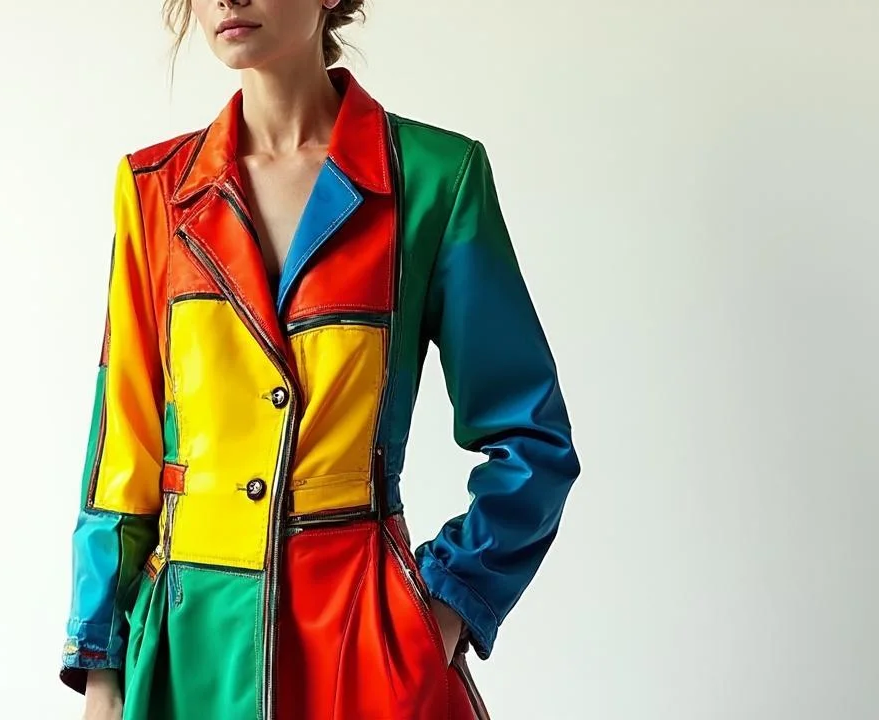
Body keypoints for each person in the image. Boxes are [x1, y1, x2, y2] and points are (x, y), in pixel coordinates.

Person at [60, 1, 581, 718]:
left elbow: (531, 437)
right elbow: (122, 445)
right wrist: (101, 667)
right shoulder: (155, 190)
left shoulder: (433, 179)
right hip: (186, 654)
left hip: (363, 648)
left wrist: (448, 604)